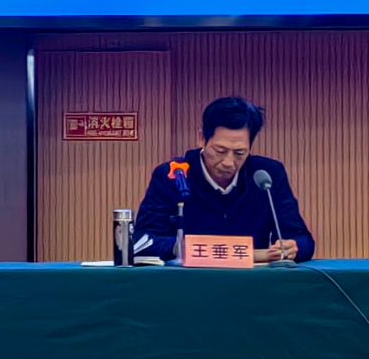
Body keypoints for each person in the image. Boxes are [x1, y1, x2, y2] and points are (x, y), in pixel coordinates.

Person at [132, 96, 314, 263]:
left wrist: (293, 247)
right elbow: (142, 241)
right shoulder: (174, 174)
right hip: (187, 281)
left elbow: (303, 240)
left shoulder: (267, 175)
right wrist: (185, 248)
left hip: (251, 281)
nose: (228, 162)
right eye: (220, 151)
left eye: (239, 153)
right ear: (202, 138)